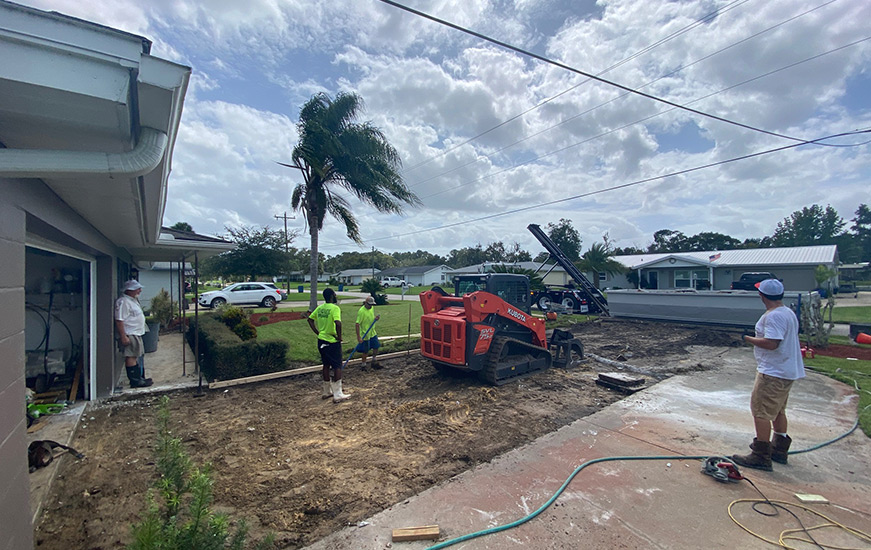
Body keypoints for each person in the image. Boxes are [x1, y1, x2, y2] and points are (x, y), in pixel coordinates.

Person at [731, 279, 805, 471]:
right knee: (778, 410)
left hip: (773, 372)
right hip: (785, 370)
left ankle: (761, 455)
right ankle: (779, 448)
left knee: (761, 411)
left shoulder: (773, 317)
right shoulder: (787, 312)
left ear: (761, 295)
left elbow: (772, 343)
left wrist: (747, 338)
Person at [308, 288, 350, 402]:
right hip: (332, 342)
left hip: (321, 341)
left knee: (326, 365)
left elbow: (310, 319)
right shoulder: (335, 308)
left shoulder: (320, 308)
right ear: (332, 296)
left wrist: (318, 332)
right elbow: (338, 323)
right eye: (335, 294)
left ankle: (326, 391)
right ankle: (338, 393)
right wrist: (339, 336)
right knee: (337, 366)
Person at [115, 280, 153, 388]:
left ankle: (140, 378)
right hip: (130, 333)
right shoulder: (123, 302)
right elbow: (119, 320)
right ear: (129, 290)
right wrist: (123, 336)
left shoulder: (132, 300)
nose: (140, 290)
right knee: (131, 356)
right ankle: (135, 381)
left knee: (135, 355)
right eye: (137, 288)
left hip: (136, 333)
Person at [355, 295, 381, 369]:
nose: (371, 306)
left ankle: (374, 359)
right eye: (370, 304)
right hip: (365, 334)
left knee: (376, 346)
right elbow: (357, 324)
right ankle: (363, 365)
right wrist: (358, 337)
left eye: (372, 304)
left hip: (372, 332)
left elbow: (371, 317)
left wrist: (375, 319)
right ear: (366, 303)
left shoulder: (371, 308)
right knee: (365, 350)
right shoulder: (361, 311)